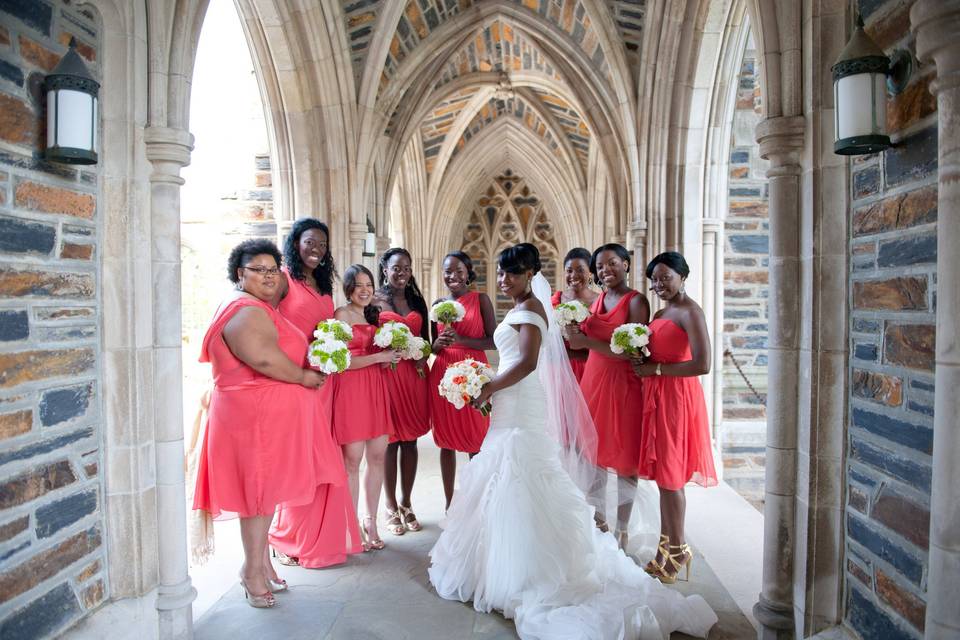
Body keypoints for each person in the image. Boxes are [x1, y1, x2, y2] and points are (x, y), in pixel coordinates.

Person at [428, 243, 717, 639]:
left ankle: (538, 563)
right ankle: (498, 558)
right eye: (500, 273)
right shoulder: (522, 308)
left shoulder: (531, 310)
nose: (504, 279)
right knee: (505, 475)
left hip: (520, 398)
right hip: (511, 399)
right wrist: (487, 388)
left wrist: (489, 386)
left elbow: (528, 363)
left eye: (512, 273)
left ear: (530, 274)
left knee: (522, 470)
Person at [192, 239, 343, 608]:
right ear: (240, 273)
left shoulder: (259, 306)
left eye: (273, 268)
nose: (268, 275)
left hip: (264, 418)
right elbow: (263, 359)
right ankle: (251, 572)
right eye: (258, 269)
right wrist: (303, 378)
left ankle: (260, 563)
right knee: (257, 497)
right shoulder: (243, 308)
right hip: (251, 419)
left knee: (266, 493)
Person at [268, 218, 363, 568]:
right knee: (299, 459)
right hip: (296, 380)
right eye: (310, 242)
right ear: (296, 243)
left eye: (322, 245)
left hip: (326, 381)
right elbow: (267, 322)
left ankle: (317, 536)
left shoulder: (323, 287)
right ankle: (286, 536)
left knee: (325, 459)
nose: (316, 250)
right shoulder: (282, 281)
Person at [631, 252, 718, 583]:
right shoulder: (661, 311)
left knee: (671, 476)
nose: (659, 284)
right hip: (656, 393)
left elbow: (703, 364)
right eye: (654, 278)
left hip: (677, 397)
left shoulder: (691, 312)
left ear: (683, 276)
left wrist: (655, 368)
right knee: (664, 479)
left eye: (665, 277)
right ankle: (665, 546)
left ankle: (679, 547)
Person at [566, 243, 650, 546]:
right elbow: (582, 340)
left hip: (623, 386)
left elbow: (631, 353)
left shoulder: (636, 301)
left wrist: (585, 342)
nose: (605, 270)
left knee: (625, 458)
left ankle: (622, 529)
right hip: (594, 382)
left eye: (612, 263)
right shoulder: (599, 299)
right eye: (600, 266)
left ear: (626, 264)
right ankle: (598, 520)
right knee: (595, 455)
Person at [330, 264, 401, 550]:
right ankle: (351, 523)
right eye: (358, 285)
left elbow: (381, 356)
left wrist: (390, 356)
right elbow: (340, 361)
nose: (364, 290)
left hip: (376, 388)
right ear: (348, 288)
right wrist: (377, 357)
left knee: (377, 457)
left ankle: (371, 521)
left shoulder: (376, 316)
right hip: (351, 391)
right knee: (352, 461)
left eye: (368, 284)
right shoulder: (341, 315)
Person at [427, 251, 496, 510]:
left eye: (458, 271)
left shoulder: (481, 300)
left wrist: (462, 341)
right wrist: (435, 345)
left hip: (474, 373)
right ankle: (449, 503)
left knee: (476, 438)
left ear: (468, 272)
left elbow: (493, 340)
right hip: (443, 372)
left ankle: (477, 501)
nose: (453, 276)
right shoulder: (437, 304)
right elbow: (432, 348)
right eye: (448, 271)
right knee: (445, 441)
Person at [374, 247, 431, 535]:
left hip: (414, 375)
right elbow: (369, 340)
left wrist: (422, 355)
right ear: (385, 268)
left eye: (406, 268)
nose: (401, 273)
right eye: (396, 267)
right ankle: (390, 504)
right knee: (390, 441)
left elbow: (426, 341)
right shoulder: (374, 302)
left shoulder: (417, 301)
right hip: (388, 376)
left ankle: (407, 503)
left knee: (410, 441)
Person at [550, 247, 599, 381]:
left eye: (580, 270)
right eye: (569, 271)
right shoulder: (554, 301)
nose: (573, 275)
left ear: (590, 273)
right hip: (556, 372)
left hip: (589, 371)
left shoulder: (601, 303)